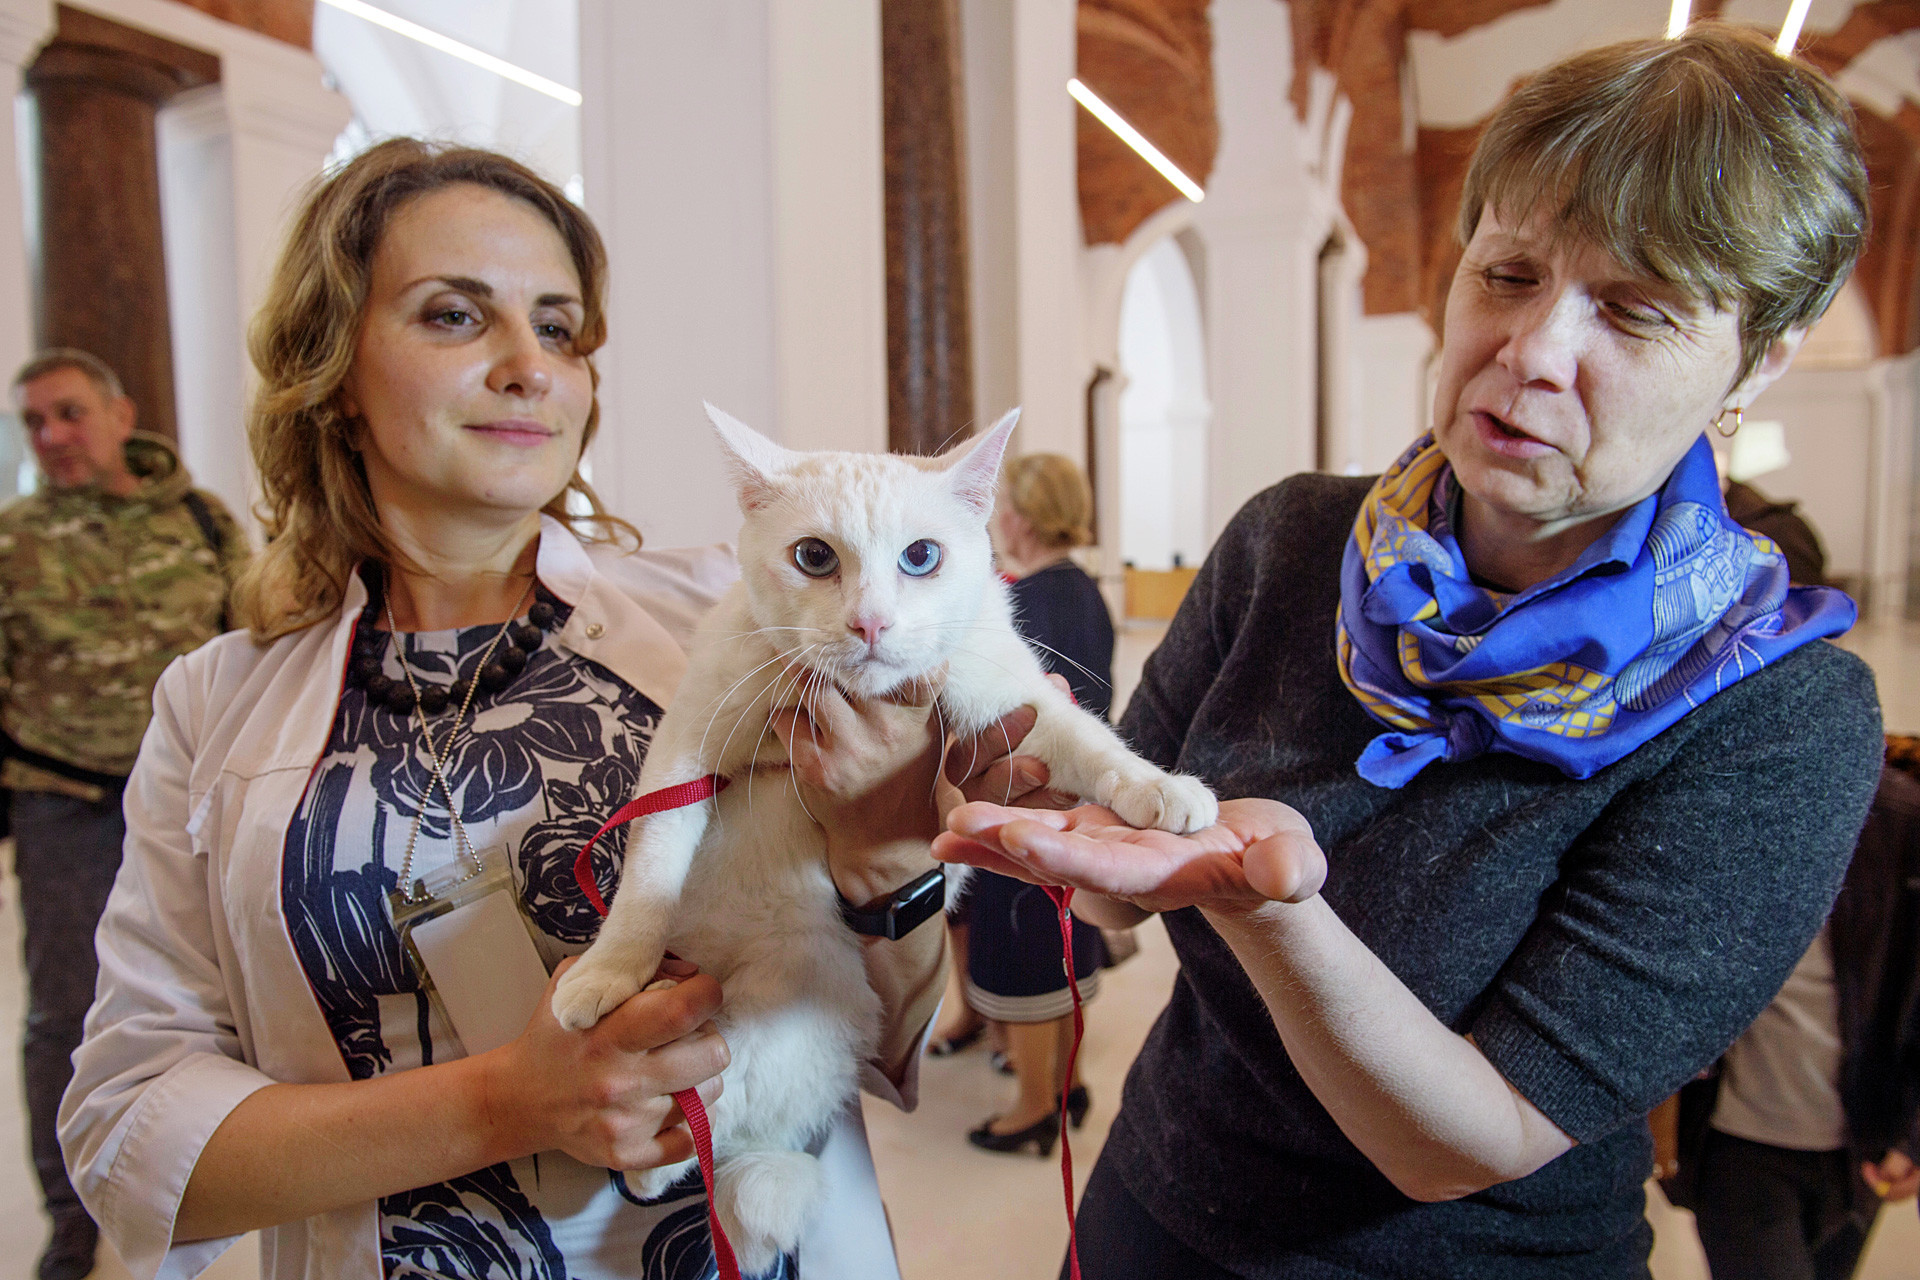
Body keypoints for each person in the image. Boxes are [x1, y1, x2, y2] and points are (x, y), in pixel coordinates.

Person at [934, 24, 1885, 1277]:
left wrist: (1271, 913)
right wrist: (1044, 789)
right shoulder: (1291, 540)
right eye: (1508, 274)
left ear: (1756, 360)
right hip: (1153, 1211)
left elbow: (1465, 1140)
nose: (1534, 351)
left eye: (1635, 309)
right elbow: (1119, 883)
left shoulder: (1775, 710)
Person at [55, 139, 1033, 1280]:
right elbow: (125, 1130)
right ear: (333, 366)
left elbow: (882, 1042)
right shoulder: (214, 701)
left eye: (559, 328)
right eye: (455, 317)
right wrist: (506, 1104)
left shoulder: (741, 626)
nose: (530, 365)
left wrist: (889, 858)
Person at [0, 347, 246, 1280]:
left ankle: (205, 1199)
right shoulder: (14, 537)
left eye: (66, 413)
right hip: (63, 803)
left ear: (118, 413)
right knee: (63, 1014)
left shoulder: (197, 517)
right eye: (32, 422)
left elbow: (249, 641)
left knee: (220, 999)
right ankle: (70, 1229)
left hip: (185, 797)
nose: (51, 436)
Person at [1664, 749, 1920, 1280]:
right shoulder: (1726, 809)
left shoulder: (1900, 823)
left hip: (1857, 1149)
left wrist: (1913, 1134)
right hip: (1737, 1146)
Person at [962, 454, 1114, 1154]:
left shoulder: (1032, 597)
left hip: (1029, 792)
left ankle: (1031, 1109)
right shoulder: (1082, 589)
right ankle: (1068, 1084)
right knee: (1064, 940)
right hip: (1074, 793)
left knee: (1023, 945)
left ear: (1018, 516)